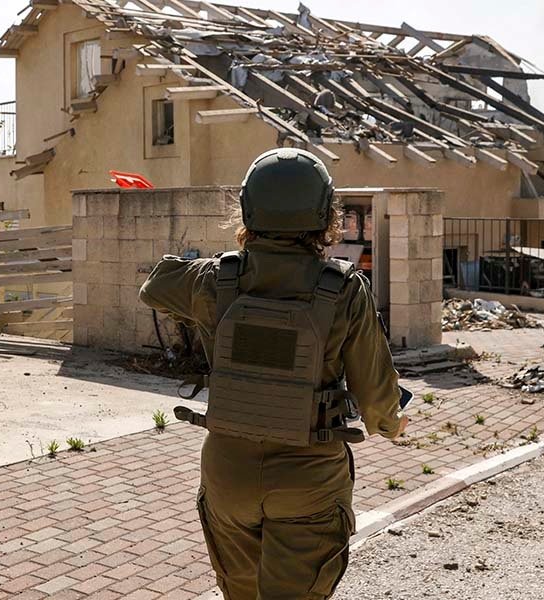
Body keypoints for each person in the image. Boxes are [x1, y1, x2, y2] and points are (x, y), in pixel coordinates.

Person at [139, 148, 408, 599]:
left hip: (229, 478)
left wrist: (220, 267)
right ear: (325, 215)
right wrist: (392, 422)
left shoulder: (216, 280)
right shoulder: (343, 290)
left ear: (248, 209)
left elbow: (155, 286)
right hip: (310, 482)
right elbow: (377, 402)